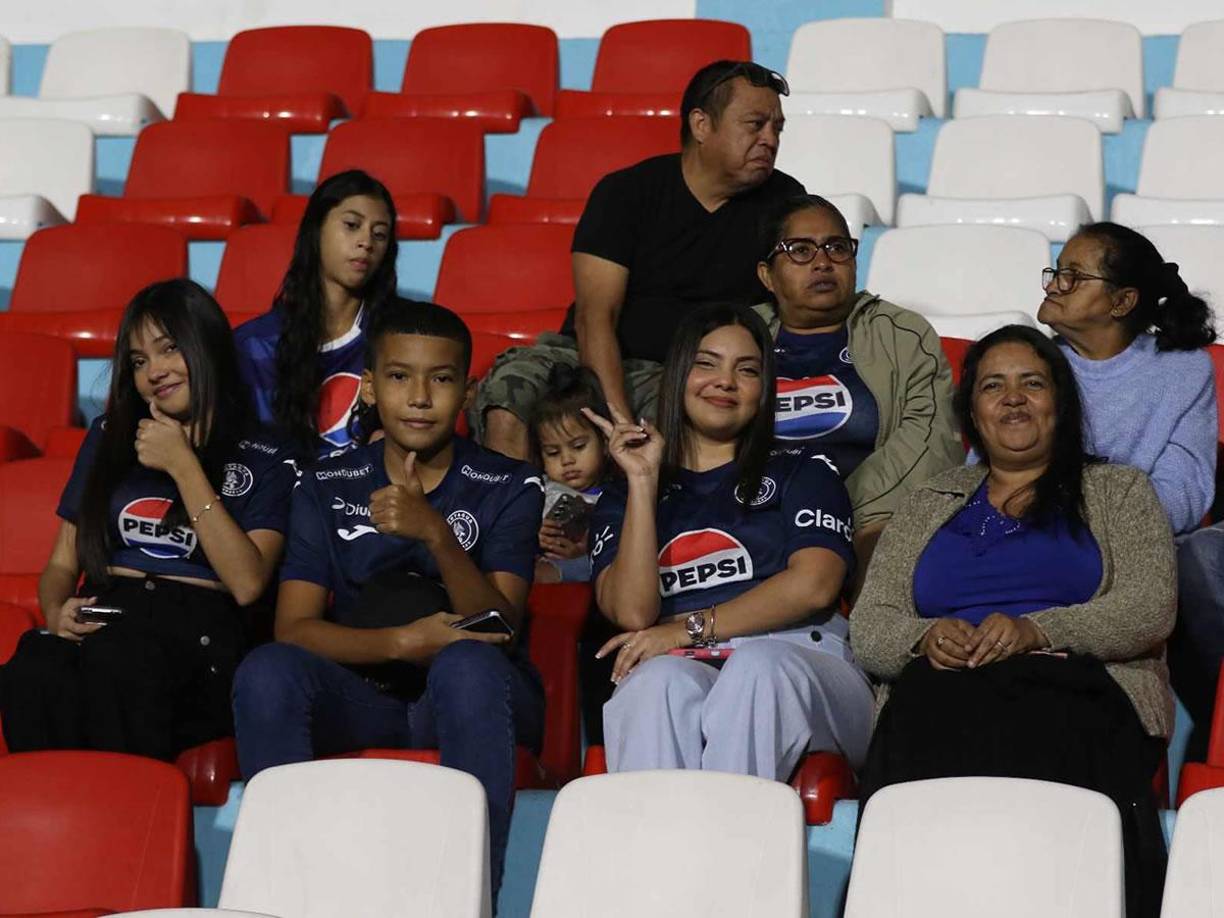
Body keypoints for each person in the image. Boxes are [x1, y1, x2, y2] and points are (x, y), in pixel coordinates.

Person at [850, 325, 1175, 918]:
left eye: (1032, 383)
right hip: (940, 692)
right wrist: (923, 635)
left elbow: (1150, 606)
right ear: (972, 410)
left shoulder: (1119, 491)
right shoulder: (927, 502)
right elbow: (871, 623)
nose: (1013, 398)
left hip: (1075, 686)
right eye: (993, 386)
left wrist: (1039, 630)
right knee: (933, 697)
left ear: (1062, 402)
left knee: (1023, 704)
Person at [231, 298, 545, 897]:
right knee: (268, 672)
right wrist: (403, 642)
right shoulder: (325, 482)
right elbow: (294, 628)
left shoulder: (510, 483)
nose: (421, 397)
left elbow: (500, 626)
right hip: (364, 695)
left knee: (468, 664)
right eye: (400, 377)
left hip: (477, 694)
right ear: (370, 388)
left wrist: (434, 531)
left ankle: (471, 897)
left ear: (467, 393)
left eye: (442, 379)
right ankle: (286, 894)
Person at [0, 279, 295, 760]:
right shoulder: (109, 435)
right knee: (34, 666)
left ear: (206, 346)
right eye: (138, 361)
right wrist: (56, 611)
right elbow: (59, 565)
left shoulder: (267, 453)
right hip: (106, 616)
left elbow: (246, 582)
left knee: (120, 661)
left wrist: (182, 464)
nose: (154, 371)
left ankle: (123, 825)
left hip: (196, 639)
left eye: (168, 350)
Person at [586, 303, 874, 780]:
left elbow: (815, 586)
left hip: (805, 662)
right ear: (677, 375)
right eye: (707, 363)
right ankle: (652, 849)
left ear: (764, 392)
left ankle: (734, 848)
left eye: (747, 370)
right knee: (654, 683)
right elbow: (633, 615)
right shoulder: (625, 496)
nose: (725, 381)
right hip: (688, 666)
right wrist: (641, 480)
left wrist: (684, 628)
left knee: (756, 668)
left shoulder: (803, 469)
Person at [474, 60, 805, 458]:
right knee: (509, 394)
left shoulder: (786, 202)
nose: (770, 139)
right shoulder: (626, 193)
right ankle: (506, 514)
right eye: (755, 125)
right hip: (588, 357)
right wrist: (619, 423)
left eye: (777, 128)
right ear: (701, 125)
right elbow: (595, 317)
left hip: (695, 372)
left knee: (695, 411)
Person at [753, 194, 962, 584]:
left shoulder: (902, 334)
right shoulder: (738, 336)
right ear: (767, 275)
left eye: (837, 247)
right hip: (759, 515)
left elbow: (932, 444)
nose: (822, 262)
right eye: (800, 250)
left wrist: (829, 510)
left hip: (874, 519)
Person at [1037, 221, 1216, 535]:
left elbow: (1181, 496)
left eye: (1073, 276)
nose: (1053, 285)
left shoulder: (1185, 371)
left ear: (1121, 302)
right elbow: (987, 478)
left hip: (1138, 546)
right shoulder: (1028, 363)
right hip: (1036, 541)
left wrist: (1084, 524)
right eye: (1057, 271)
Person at [235, 169, 398, 459]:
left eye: (380, 234)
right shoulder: (254, 345)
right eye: (351, 225)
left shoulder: (400, 337)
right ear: (316, 230)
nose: (366, 242)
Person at [529, 365, 609, 585]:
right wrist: (533, 533)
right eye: (553, 453)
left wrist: (587, 548)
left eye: (578, 446)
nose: (567, 460)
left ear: (604, 443)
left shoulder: (617, 497)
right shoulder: (533, 492)